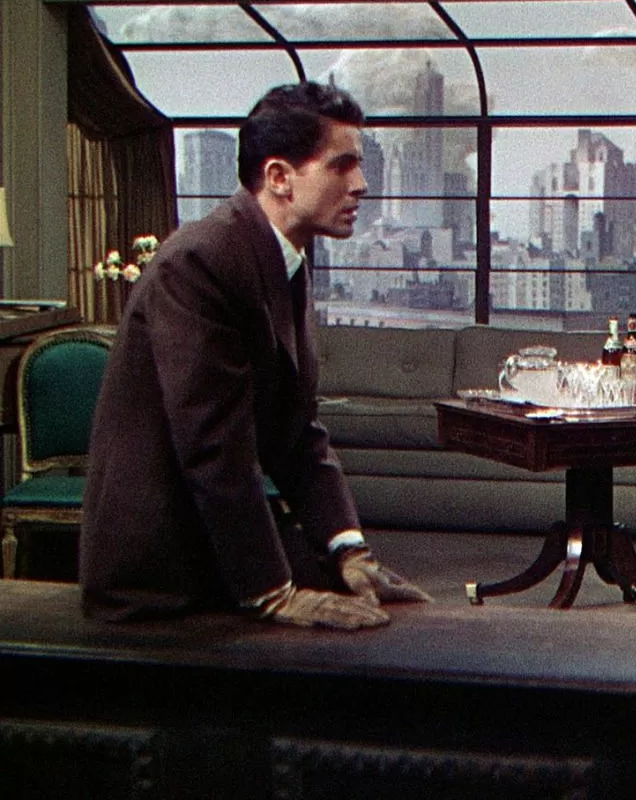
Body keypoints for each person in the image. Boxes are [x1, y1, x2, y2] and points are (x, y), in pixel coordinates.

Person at [81, 81, 431, 629]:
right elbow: (214, 448)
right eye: (341, 166)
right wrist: (276, 594)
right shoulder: (199, 262)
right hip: (161, 566)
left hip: (216, 539)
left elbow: (297, 431)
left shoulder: (283, 257)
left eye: (360, 166)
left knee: (395, 611)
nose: (361, 185)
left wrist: (348, 549)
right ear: (279, 178)